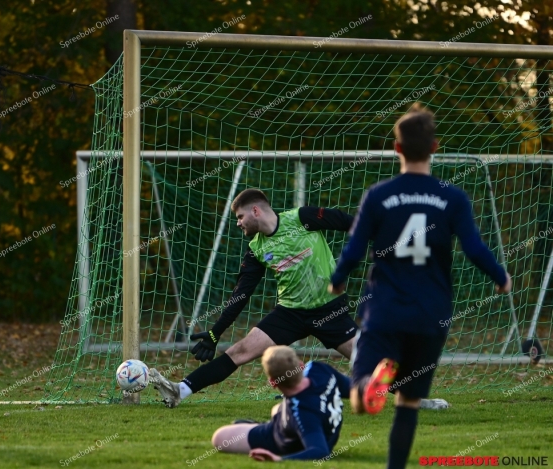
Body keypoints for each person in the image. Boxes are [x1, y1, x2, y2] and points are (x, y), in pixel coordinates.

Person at [328, 104, 511, 469]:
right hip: (431, 314)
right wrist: (500, 277)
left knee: (358, 391)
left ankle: (367, 386)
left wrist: (337, 279)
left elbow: (354, 249)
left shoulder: (379, 194)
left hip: (384, 309)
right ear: (435, 148)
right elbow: (474, 248)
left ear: (396, 148)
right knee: (408, 404)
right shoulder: (452, 197)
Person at [150, 189, 448, 411]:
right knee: (240, 351)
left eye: (239, 217)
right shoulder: (255, 249)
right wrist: (216, 333)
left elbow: (350, 223)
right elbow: (242, 293)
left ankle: (417, 401)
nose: (238, 223)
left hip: (329, 310)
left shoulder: (303, 218)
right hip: (289, 314)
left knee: (370, 361)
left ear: (255, 211)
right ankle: (180, 390)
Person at [210, 345, 348, 462]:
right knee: (277, 409)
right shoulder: (319, 369)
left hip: (279, 437)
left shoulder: (300, 411)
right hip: (315, 427)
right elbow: (352, 389)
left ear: (273, 383)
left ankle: (260, 426)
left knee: (219, 438)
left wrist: (280, 459)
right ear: (301, 365)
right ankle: (262, 423)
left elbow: (320, 451)